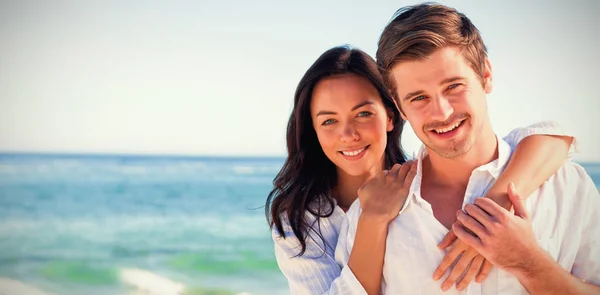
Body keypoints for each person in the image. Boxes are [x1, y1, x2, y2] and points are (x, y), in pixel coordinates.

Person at [335, 3, 600, 294]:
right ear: (400, 107)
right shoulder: (369, 216)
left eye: (453, 87)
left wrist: (529, 264)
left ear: (486, 75)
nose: (442, 112)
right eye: (419, 98)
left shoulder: (567, 188)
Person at [265, 45, 573, 294]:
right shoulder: (297, 220)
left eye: (362, 113)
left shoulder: (423, 185)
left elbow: (550, 139)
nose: (349, 134)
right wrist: (373, 218)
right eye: (329, 120)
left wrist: (495, 207)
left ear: (391, 114)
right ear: (313, 130)